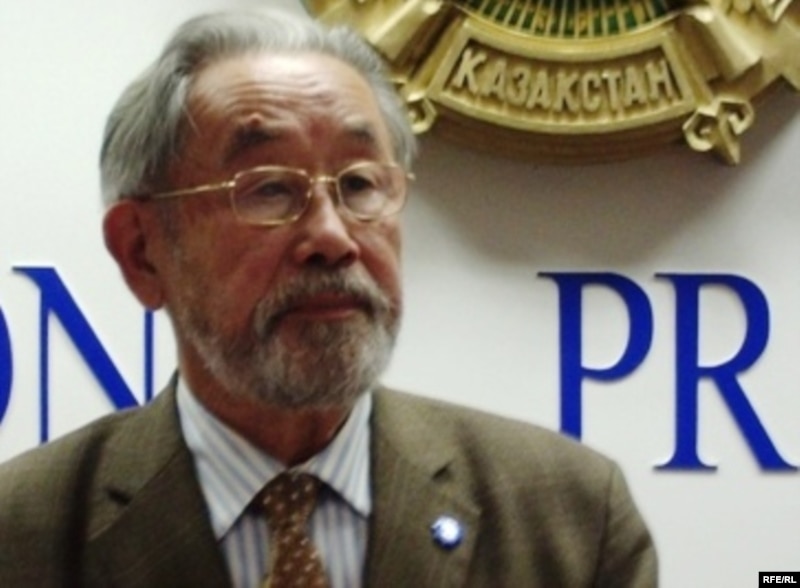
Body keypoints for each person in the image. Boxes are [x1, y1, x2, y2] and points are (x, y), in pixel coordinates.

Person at [0, 9, 657, 587]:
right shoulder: (22, 534)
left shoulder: (567, 519)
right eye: (268, 189)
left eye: (360, 184)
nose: (332, 238)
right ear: (142, 251)